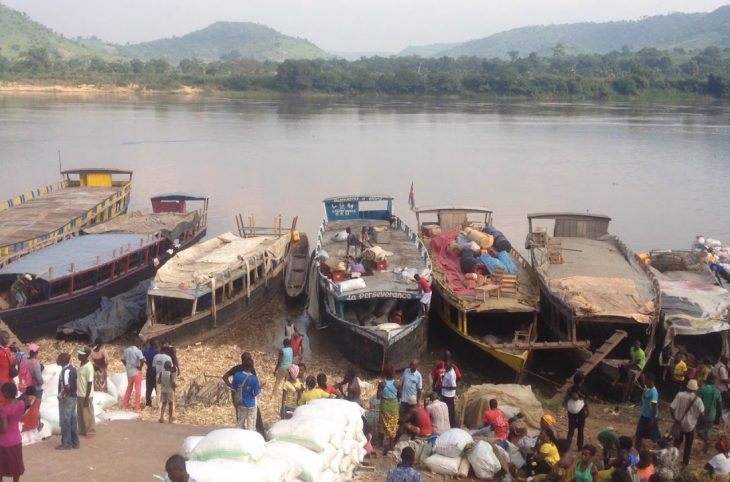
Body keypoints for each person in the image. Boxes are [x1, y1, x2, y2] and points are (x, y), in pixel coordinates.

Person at [670, 378, 705, 466]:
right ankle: (685, 463)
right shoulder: (698, 400)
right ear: (696, 389)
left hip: (679, 424)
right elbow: (702, 413)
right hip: (690, 426)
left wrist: (674, 417)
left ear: (687, 387)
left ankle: (672, 460)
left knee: (677, 443)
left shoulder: (680, 395)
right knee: (688, 445)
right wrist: (696, 420)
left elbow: (671, 407)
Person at [0, 383, 28, 481]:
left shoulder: (4, 409)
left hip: (4, 442)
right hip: (16, 439)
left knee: (1, 467)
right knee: (16, 467)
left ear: (7, 393)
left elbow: (3, 429)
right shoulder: (21, 404)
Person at [56, 352, 79, 450]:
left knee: (65, 421)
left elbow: (66, 386)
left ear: (62, 361)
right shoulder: (72, 369)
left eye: (59, 359)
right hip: (73, 397)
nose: (57, 360)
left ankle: (67, 443)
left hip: (67, 398)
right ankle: (75, 442)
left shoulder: (65, 371)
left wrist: (62, 396)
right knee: (73, 419)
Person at [231, 357, 260, 430]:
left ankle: (238, 437)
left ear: (243, 365)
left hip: (241, 404)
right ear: (252, 367)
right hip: (251, 404)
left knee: (240, 423)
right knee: (251, 425)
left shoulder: (237, 375)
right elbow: (256, 393)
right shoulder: (254, 378)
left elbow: (233, 389)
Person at [698, 373, 723, 453]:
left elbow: (697, 402)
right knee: (708, 430)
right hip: (712, 414)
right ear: (714, 381)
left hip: (702, 413)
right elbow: (719, 405)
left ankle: (706, 440)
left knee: (698, 430)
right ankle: (706, 444)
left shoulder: (702, 389)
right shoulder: (718, 392)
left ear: (707, 379)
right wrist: (720, 416)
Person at [378, 364, 400, 453]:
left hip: (384, 405)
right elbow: (400, 395)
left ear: (385, 373)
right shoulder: (398, 383)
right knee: (392, 425)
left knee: (382, 424)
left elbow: (378, 397)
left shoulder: (382, 384)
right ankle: (391, 445)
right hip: (393, 406)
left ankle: (380, 444)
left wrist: (379, 389)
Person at [635, 373, 660, 450]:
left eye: (646, 379)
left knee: (654, 437)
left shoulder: (654, 393)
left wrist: (652, 420)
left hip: (650, 418)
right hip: (644, 416)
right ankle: (639, 452)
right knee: (639, 435)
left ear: (650, 380)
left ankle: (660, 449)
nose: (645, 381)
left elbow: (654, 407)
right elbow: (644, 385)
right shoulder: (647, 389)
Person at [566, 372, 588, 451]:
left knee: (571, 429)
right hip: (580, 411)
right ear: (582, 380)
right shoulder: (583, 390)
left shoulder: (570, 388)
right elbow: (584, 400)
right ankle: (579, 447)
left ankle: (567, 446)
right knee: (580, 429)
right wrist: (587, 411)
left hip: (571, 411)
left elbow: (568, 398)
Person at [121, 338, 145, 411]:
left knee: (129, 387)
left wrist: (126, 365)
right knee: (138, 389)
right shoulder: (138, 351)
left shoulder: (126, 350)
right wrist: (140, 367)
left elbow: (122, 359)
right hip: (136, 372)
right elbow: (142, 360)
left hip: (129, 372)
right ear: (137, 343)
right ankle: (137, 406)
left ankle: (125, 404)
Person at [76, 347, 95, 437]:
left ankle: (90, 431)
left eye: (81, 354)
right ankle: (82, 430)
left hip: (85, 394)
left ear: (86, 356)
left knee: (87, 414)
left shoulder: (89, 367)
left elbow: (90, 382)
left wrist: (87, 398)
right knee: (80, 414)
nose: (79, 356)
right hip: (79, 393)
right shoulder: (81, 364)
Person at [440, 360, 458, 428]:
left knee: (450, 410)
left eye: (446, 367)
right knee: (445, 409)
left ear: (450, 367)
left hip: (449, 395)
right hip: (444, 393)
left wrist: (444, 386)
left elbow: (454, 387)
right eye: (445, 366)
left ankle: (452, 425)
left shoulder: (451, 374)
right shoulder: (447, 371)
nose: (445, 368)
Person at [142, 340, 160, 408]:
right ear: (155, 344)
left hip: (149, 370)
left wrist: (146, 363)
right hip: (156, 371)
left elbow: (142, 358)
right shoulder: (157, 352)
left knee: (149, 388)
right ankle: (159, 403)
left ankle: (148, 403)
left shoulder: (146, 351)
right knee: (157, 388)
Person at [0, 332, 17, 400]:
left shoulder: (8, 349)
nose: (8, 339)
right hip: (2, 380)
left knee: (11, 397)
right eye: (5, 337)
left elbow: (11, 361)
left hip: (10, 378)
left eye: (8, 337)